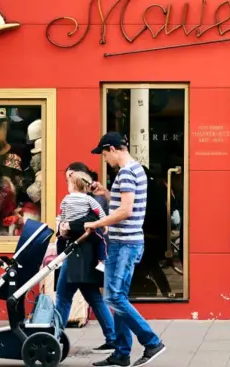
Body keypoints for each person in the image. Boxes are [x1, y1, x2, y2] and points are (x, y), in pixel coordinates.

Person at [87, 132, 166, 367]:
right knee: (118, 296)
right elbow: (124, 202)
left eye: (104, 154)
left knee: (114, 297)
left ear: (112, 149)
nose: (104, 159)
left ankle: (151, 341)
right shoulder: (136, 169)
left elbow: (126, 211)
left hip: (125, 243)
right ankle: (122, 353)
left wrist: (96, 223)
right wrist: (106, 194)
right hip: (124, 242)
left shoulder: (127, 172)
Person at [55, 162, 116, 355]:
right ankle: (112, 338)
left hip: (79, 255)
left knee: (63, 297)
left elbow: (88, 222)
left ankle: (54, 337)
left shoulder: (93, 200)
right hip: (82, 256)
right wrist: (62, 228)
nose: (68, 183)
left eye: (70, 179)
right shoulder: (83, 199)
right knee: (94, 297)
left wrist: (67, 227)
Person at [57, 170, 107, 272]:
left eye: (69, 183)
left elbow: (61, 211)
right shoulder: (88, 199)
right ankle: (101, 261)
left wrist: (62, 223)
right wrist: (104, 223)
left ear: (73, 186)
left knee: (60, 240)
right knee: (101, 240)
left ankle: (60, 260)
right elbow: (98, 210)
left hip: (69, 230)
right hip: (85, 229)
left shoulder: (66, 199)